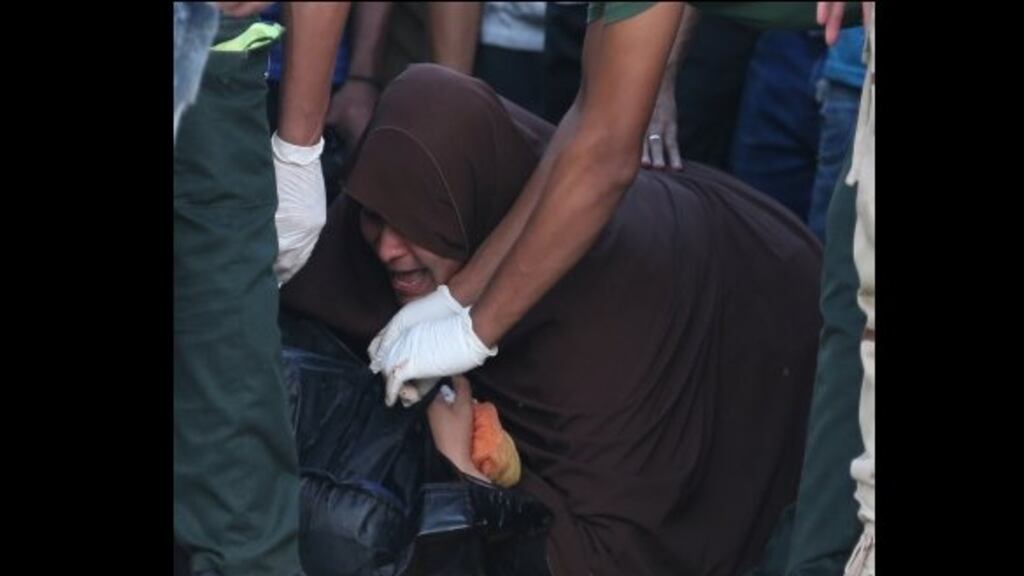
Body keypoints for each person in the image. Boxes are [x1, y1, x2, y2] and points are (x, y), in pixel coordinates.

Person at [280, 63, 822, 576]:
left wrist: (461, 474)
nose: (387, 249)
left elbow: (605, 557)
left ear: (478, 202)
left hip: (766, 331)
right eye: (376, 215)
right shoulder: (403, 230)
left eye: (418, 221)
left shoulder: (604, 341)